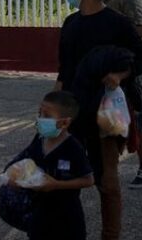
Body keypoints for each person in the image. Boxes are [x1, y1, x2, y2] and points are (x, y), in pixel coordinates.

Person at [56, 0, 142, 240]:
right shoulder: (70, 24)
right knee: (66, 175)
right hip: (74, 110)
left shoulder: (117, 23)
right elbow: (65, 68)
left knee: (107, 181)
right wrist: (52, 103)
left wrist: (119, 75)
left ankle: (110, 234)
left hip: (106, 114)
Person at [89, 0, 142, 188]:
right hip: (100, 69)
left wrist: (114, 36)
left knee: (135, 117)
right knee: (102, 119)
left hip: (126, 68)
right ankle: (104, 166)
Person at [7, 91, 95, 240]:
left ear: (65, 122)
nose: (40, 119)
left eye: (47, 116)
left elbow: (88, 180)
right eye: (40, 113)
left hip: (67, 219)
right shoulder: (39, 139)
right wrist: (17, 179)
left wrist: (57, 185)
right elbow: (28, 163)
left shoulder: (73, 148)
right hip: (39, 215)